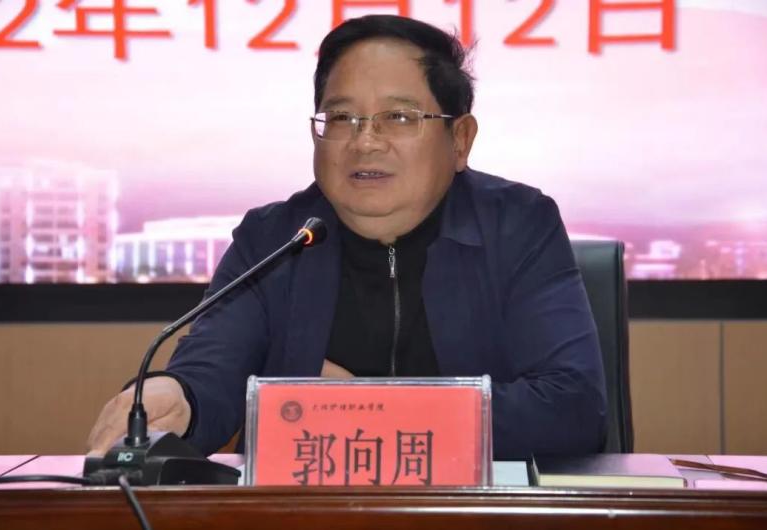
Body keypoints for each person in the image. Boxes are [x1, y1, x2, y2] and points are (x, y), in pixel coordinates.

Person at [88, 14, 607, 460]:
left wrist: (365, 407)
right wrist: (175, 396)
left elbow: (574, 409)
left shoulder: (517, 224)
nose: (364, 141)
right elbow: (211, 371)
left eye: (398, 117)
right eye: (341, 117)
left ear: (460, 139)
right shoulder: (274, 239)